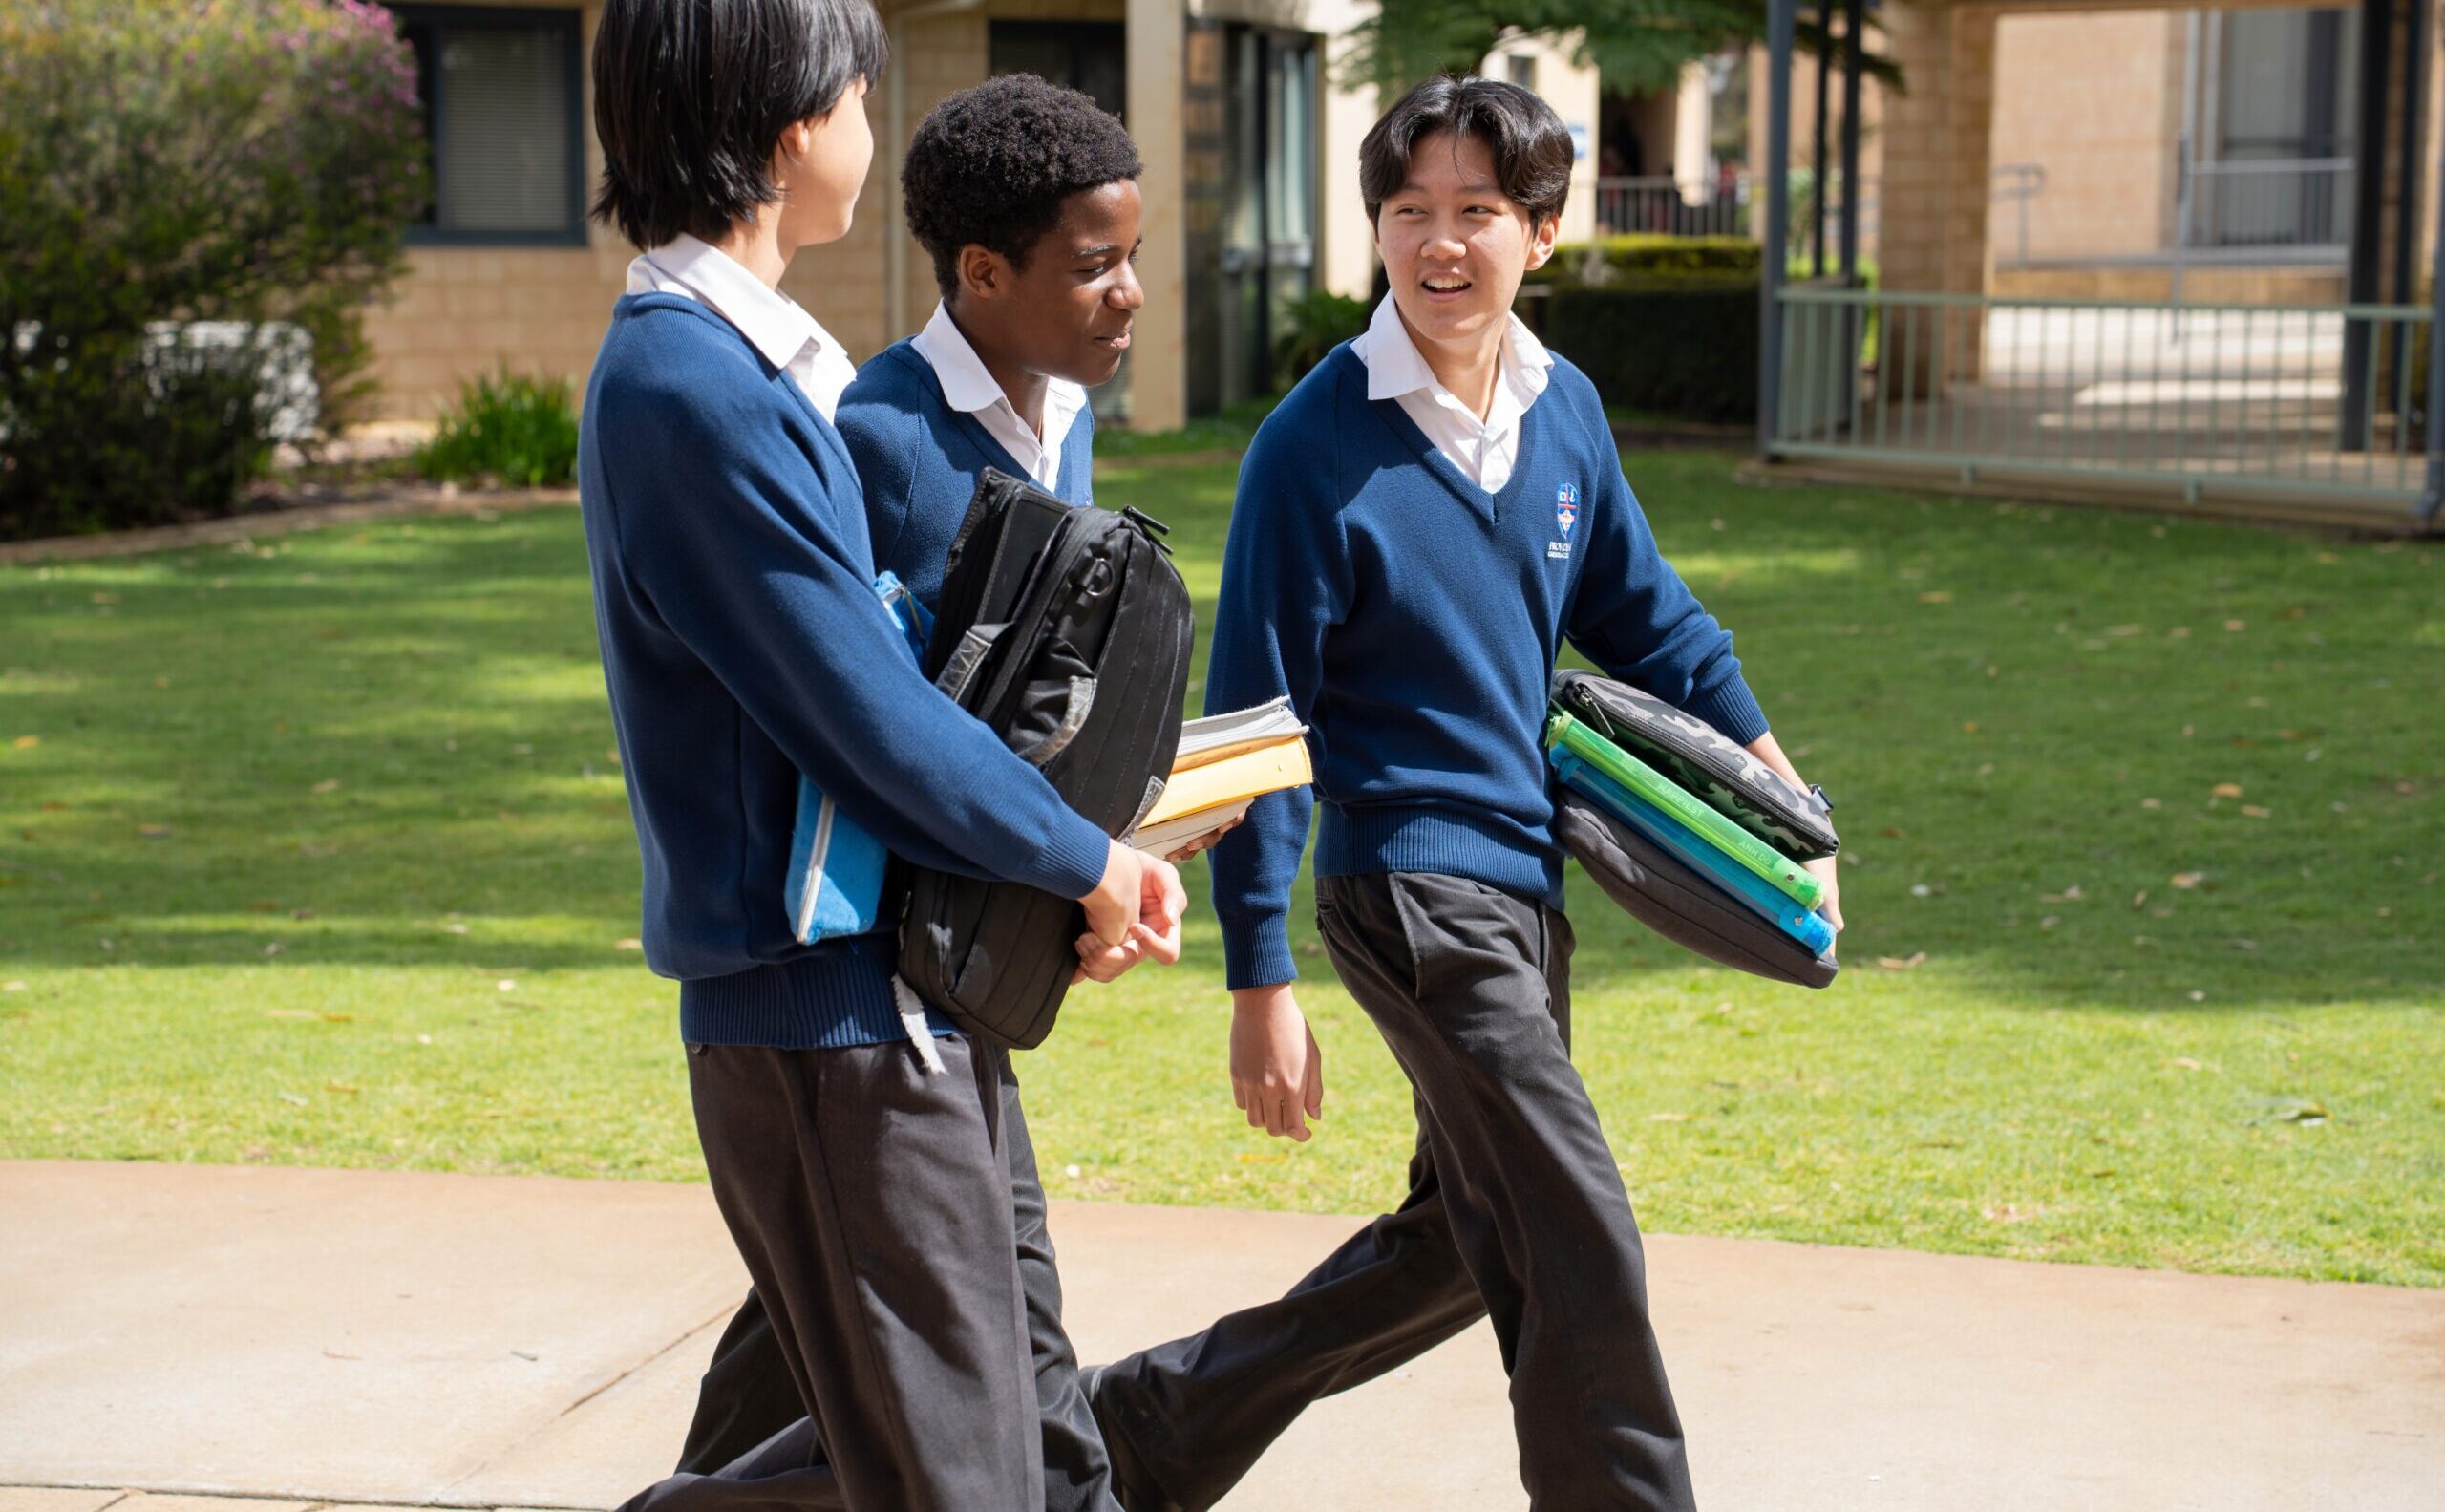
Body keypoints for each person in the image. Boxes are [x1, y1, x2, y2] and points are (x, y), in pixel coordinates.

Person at [1086, 75, 1844, 1511]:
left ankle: (1136, 1434)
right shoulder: (1311, 445)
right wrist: (1261, 978)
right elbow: (1258, 727)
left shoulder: (1566, 412)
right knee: (1578, 1227)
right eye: (1408, 211)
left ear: (1540, 232)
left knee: (1455, 1245)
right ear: (1377, 228)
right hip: (1406, 890)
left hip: (1524, 889)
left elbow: (1654, 621)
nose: (1440, 243)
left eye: (1478, 211)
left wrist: (1780, 795)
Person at [576, 2, 1184, 1507]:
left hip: (879, 1013)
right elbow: (866, 716)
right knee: (967, 1479)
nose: (873, 119)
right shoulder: (695, 386)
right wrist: (1087, 861)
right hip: (831, 1026)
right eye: (860, 92)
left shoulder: (747, 371)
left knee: (954, 1460)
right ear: (795, 132)